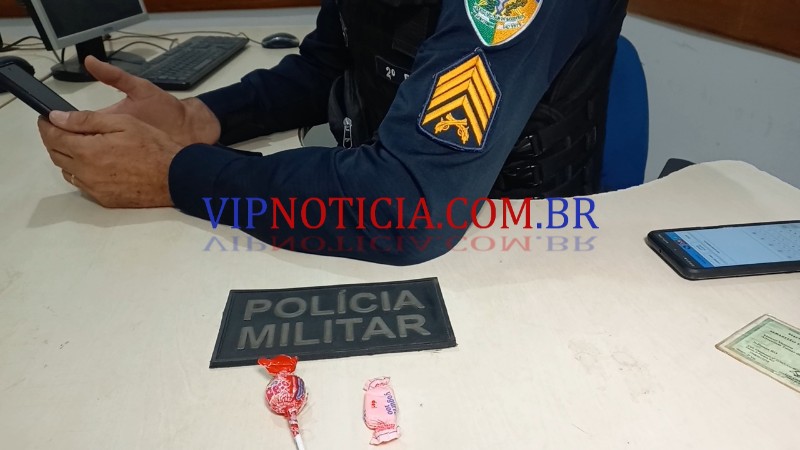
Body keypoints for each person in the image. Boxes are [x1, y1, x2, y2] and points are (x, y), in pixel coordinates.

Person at [37, 0, 627, 265]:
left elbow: (408, 211)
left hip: (510, 241)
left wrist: (175, 174)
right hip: (397, 204)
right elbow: (330, 62)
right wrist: (201, 118)